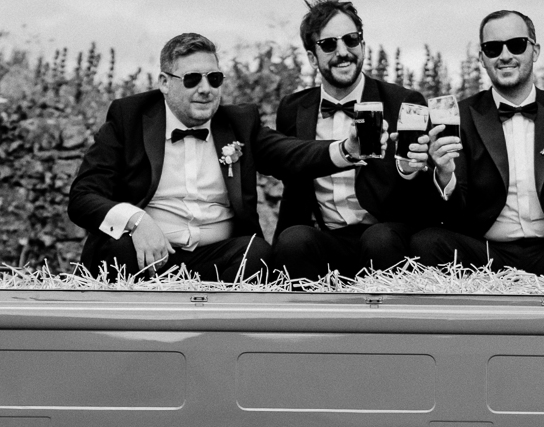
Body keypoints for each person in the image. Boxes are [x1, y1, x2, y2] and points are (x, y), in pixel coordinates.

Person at [67, 32, 360, 280]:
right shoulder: (128, 118)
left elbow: (289, 152)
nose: (206, 89)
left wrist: (346, 149)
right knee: (118, 249)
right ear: (165, 83)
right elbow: (83, 196)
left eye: (214, 78)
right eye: (192, 79)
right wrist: (136, 220)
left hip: (217, 259)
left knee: (256, 253)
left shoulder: (239, 124)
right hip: (147, 258)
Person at [403, 9, 544, 278]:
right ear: (481, 58)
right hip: (485, 253)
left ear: (535, 50)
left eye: (516, 45)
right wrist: (444, 175)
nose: (505, 55)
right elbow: (450, 216)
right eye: (493, 49)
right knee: (427, 243)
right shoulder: (457, 117)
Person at [267, 0, 431, 278]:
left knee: (379, 239)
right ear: (311, 57)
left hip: (386, 238)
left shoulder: (404, 102)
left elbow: (420, 190)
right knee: (293, 241)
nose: (343, 51)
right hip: (325, 239)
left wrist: (408, 167)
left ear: (363, 45)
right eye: (329, 44)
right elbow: (290, 176)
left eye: (351, 40)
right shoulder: (292, 110)